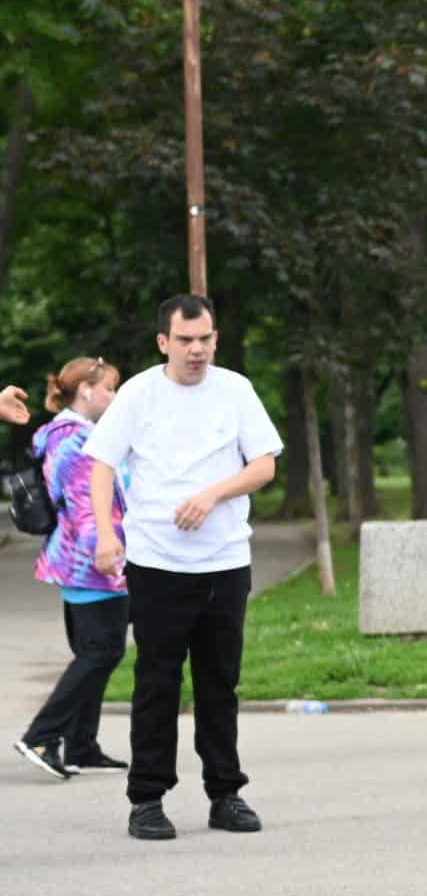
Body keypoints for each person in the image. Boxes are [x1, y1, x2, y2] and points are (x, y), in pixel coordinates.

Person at [85, 295, 282, 841]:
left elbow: (264, 464)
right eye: (186, 340)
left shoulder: (235, 390)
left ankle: (226, 794)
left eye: (205, 339)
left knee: (220, 682)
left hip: (224, 562)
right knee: (157, 681)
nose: (197, 350)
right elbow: (102, 463)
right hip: (156, 563)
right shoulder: (139, 393)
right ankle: (147, 799)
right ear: (163, 342)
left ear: (215, 339)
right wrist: (106, 533)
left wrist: (213, 494)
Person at [14, 357, 129, 780]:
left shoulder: (69, 434)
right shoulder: (78, 440)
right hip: (91, 562)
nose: (113, 397)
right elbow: (86, 505)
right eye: (109, 389)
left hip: (80, 559)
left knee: (95, 652)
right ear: (85, 390)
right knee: (102, 651)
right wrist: (108, 551)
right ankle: (41, 737)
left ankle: (81, 745)